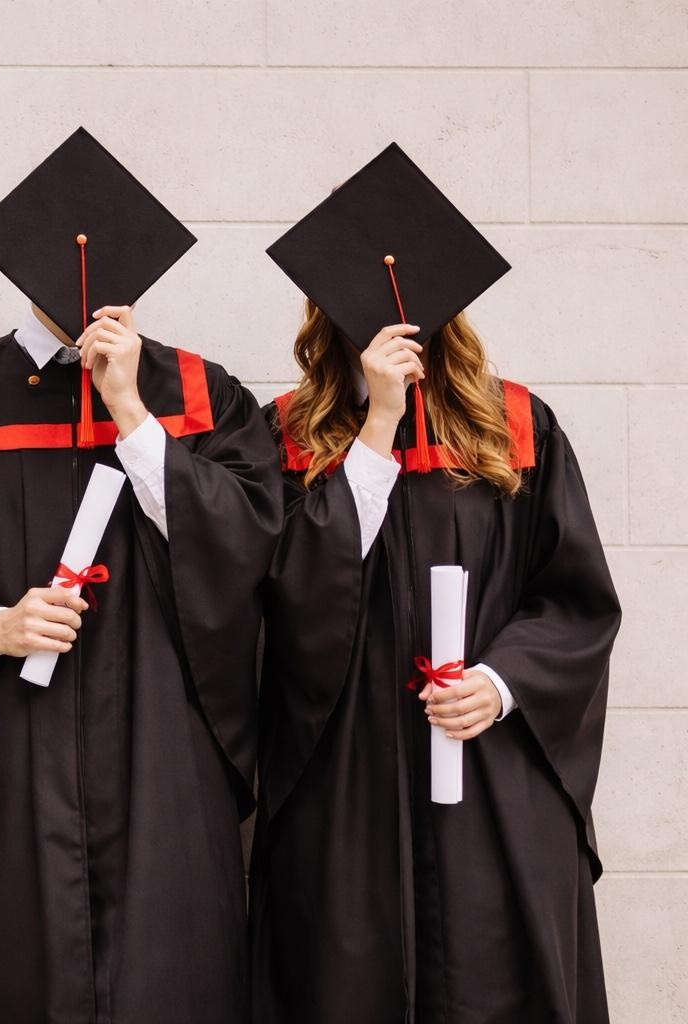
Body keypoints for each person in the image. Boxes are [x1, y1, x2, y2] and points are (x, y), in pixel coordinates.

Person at [0, 127, 282, 1023]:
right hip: (4, 744)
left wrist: (135, 414)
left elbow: (254, 544)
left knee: (167, 978)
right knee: (2, 972)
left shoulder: (203, 395)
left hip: (161, 743)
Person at [252, 143, 621, 1022]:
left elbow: (575, 599)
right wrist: (377, 422)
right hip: (349, 772)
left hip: (492, 770)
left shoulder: (519, 423)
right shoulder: (286, 436)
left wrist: (498, 685)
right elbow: (287, 593)